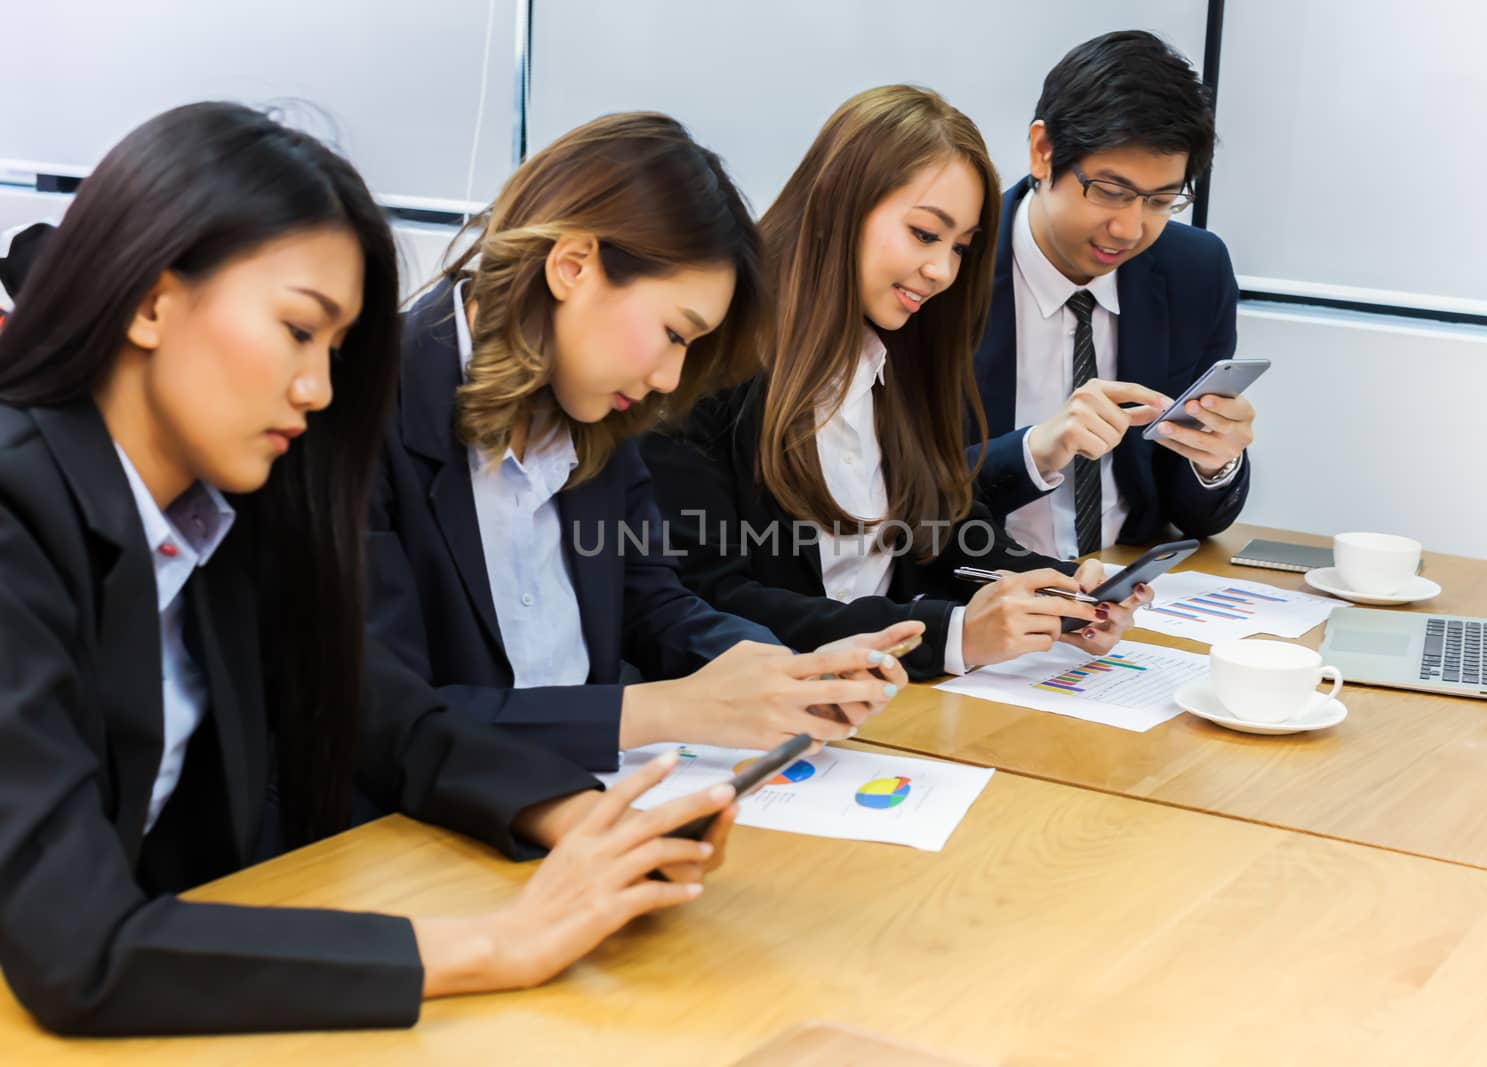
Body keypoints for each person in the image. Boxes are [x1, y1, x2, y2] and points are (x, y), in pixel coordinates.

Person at [0, 102, 737, 1037]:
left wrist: (575, 814)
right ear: (151, 299)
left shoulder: (212, 509)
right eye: (298, 331)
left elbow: (379, 709)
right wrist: (497, 943)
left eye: (336, 350)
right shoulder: (17, 515)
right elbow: (80, 949)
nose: (317, 388)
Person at [369, 112, 914, 772]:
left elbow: (653, 602)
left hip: (597, 800)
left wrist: (781, 672)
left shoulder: (595, 407)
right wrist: (664, 711)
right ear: (573, 267)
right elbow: (387, 716)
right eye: (675, 334)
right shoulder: (365, 411)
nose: (669, 378)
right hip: (423, 839)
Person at [643, 86, 1149, 683]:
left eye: (960, 248)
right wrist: (952, 635)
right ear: (840, 205)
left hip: (898, 703)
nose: (942, 272)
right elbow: (710, 601)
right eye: (924, 234)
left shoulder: (907, 354)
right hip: (773, 708)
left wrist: (1055, 593)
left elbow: (939, 538)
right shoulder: (704, 366)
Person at [970, 30, 1255, 561]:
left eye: (1161, 200)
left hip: (1123, 586)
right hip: (974, 586)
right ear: (1042, 151)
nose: (1129, 228)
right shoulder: (952, 267)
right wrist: (1035, 451)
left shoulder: (1195, 270)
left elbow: (1197, 515)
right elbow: (898, 497)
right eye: (1110, 192)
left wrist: (1214, 462)